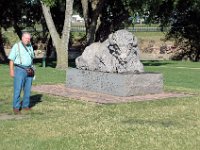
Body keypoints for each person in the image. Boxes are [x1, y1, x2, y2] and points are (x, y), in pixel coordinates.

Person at [8, 32, 34, 114]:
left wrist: (33, 69)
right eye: (26, 38)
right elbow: (11, 59)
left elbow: (31, 57)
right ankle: (16, 107)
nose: (28, 40)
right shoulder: (17, 46)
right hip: (19, 69)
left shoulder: (30, 46)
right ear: (22, 38)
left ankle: (25, 106)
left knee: (27, 89)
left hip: (29, 69)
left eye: (29, 38)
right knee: (18, 88)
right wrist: (11, 70)